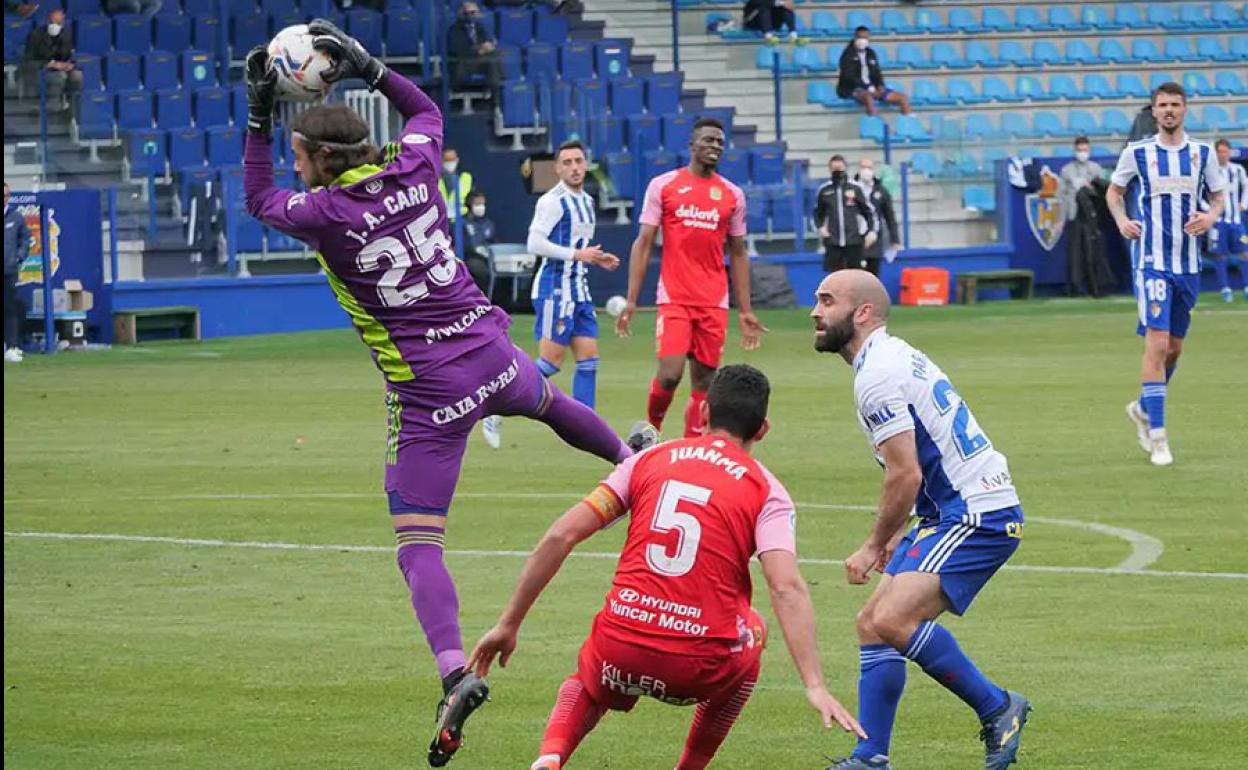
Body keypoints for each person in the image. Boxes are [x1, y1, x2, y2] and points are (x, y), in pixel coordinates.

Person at [241, 21, 652, 767]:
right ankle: (634, 461)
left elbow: (257, 196)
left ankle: (455, 671)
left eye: (300, 156)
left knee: (419, 543)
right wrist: (370, 66)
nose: (294, 168)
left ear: (319, 161)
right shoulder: (413, 165)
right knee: (553, 405)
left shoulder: (324, 215)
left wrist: (258, 115)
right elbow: (427, 113)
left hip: (429, 390)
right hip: (490, 349)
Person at [469, 364, 865, 770]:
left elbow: (560, 537)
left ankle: (551, 755)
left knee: (588, 680)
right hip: (698, 667)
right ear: (762, 429)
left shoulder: (647, 461)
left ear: (704, 413)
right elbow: (786, 587)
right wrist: (814, 684)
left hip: (619, 651)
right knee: (755, 630)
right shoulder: (767, 491)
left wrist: (508, 624)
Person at [811, 270, 1031, 770]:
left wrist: (874, 543)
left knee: (892, 618)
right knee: (871, 624)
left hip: (976, 512)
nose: (815, 312)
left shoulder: (877, 373)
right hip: (950, 509)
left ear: (862, 312)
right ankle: (870, 757)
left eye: (827, 301)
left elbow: (905, 473)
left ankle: (999, 707)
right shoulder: (889, 356)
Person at [616, 117, 768, 439]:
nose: (715, 146)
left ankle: (689, 450)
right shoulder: (664, 186)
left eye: (720, 143)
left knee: (704, 384)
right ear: (692, 145)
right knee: (670, 374)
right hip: (674, 297)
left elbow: (738, 252)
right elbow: (643, 243)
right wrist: (631, 298)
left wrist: (745, 309)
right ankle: (651, 433)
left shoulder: (732, 195)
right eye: (709, 140)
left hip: (713, 300)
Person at [1108, 82, 1226, 467]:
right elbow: (1114, 191)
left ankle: (1143, 408)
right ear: (1154, 111)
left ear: (1185, 109)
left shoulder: (1201, 153)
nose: (1169, 110)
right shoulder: (1138, 153)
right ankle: (1159, 438)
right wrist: (1123, 219)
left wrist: (1209, 216)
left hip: (1188, 265)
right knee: (1157, 345)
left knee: (1175, 348)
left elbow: (1218, 196)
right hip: (1152, 262)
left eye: (1175, 104)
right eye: (1163, 105)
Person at [480, 140, 620, 448]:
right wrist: (576, 255)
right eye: (567, 162)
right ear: (557, 168)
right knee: (550, 362)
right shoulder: (552, 201)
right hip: (556, 289)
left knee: (588, 360)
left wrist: (596, 258)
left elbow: (580, 248)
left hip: (579, 289)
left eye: (578, 161)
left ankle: (587, 427)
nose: (573, 167)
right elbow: (535, 243)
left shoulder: (586, 200)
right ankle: (493, 405)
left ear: (586, 165)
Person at [1059, 137, 1108, 296]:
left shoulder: (1096, 169)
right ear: (1075, 151)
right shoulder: (1067, 171)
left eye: (1085, 150)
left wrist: (1090, 186)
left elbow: (1102, 192)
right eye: (1080, 150)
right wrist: (1062, 218)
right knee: (1075, 254)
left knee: (1092, 252)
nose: (1082, 153)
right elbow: (1062, 196)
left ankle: (1096, 287)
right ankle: (1075, 288)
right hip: (1075, 215)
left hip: (1092, 217)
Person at [815, 154, 878, 274]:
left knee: (855, 275)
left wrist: (871, 231)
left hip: (853, 241)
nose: (837, 171)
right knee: (834, 276)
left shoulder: (856, 188)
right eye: (834, 169)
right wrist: (821, 229)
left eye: (840, 168)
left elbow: (868, 212)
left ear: (846, 168)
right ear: (830, 169)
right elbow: (817, 214)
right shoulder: (824, 190)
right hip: (833, 242)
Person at [836, 27, 911, 117]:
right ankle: (875, 124)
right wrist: (868, 88)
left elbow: (877, 72)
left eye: (865, 38)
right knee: (868, 98)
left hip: (873, 88)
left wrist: (880, 86)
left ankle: (910, 124)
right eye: (860, 37)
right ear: (855, 38)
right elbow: (849, 76)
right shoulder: (847, 54)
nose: (862, 40)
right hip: (853, 88)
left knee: (902, 97)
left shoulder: (871, 53)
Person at [1207, 139, 1248, 302]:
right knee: (1219, 255)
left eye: (1225, 151)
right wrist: (1209, 211)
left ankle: (1246, 286)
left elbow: (1246, 187)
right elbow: (1201, 194)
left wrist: (1243, 205)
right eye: (1220, 151)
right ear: (1215, 153)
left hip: (1237, 222)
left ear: (1229, 153)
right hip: (1218, 223)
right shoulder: (1210, 172)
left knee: (1245, 252)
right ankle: (1225, 289)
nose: (1223, 154)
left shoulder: (1237, 170)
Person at [23, 9, 83, 107]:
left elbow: (69, 56)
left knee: (77, 75)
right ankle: (53, 108)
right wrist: (50, 64)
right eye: (52, 22)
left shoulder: (66, 35)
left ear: (63, 23)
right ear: (47, 21)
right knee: (59, 77)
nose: (54, 25)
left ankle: (72, 107)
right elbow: (28, 60)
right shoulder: (35, 35)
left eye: (58, 23)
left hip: (61, 69)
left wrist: (69, 64)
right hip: (42, 69)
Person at [854, 158, 898, 275]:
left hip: (875, 240)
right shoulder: (851, 188)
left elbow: (889, 216)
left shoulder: (881, 191)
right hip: (854, 240)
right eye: (863, 167)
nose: (866, 171)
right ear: (858, 169)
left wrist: (895, 239)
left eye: (869, 168)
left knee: (873, 276)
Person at [4, 183, 32, 364]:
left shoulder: (16, 217)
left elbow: (25, 239)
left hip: (8, 271)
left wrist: (19, 257)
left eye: (5, 195)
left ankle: (11, 346)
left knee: (10, 310)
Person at [446, 2, 503, 91]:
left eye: (473, 13)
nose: (470, 16)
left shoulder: (480, 28)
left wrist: (489, 46)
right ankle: (496, 93)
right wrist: (479, 50)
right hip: (463, 64)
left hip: (480, 63)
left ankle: (496, 90)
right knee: (492, 62)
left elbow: (486, 43)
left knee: (494, 56)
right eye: (467, 13)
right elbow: (457, 50)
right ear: (462, 14)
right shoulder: (455, 29)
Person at [461, 190, 495, 294]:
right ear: (470, 205)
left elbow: (492, 242)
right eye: (477, 204)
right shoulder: (462, 223)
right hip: (470, 257)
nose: (481, 207)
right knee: (479, 269)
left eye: (483, 204)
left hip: (488, 257)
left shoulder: (488, 224)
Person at [438, 147, 473, 224]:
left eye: (452, 159)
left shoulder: (466, 177)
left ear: (457, 160)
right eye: (447, 160)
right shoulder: (434, 179)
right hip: (441, 220)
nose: (450, 162)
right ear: (441, 161)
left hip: (461, 219)